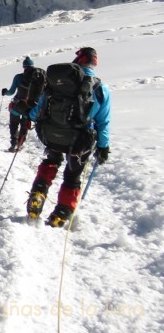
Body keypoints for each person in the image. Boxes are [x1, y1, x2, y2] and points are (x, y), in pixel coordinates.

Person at [25, 47, 112, 228]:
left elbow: (36, 112)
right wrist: (103, 147)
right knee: (72, 176)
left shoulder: (56, 83)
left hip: (51, 135)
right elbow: (103, 122)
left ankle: (38, 193)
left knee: (51, 161)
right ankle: (61, 213)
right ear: (94, 63)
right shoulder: (100, 88)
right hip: (79, 141)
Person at [1, 56, 43, 151]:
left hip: (18, 105)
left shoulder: (18, 77)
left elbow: (11, 92)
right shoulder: (39, 79)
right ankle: (20, 143)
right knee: (24, 125)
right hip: (30, 106)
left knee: (14, 123)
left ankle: (14, 143)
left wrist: (5, 92)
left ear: (24, 67)